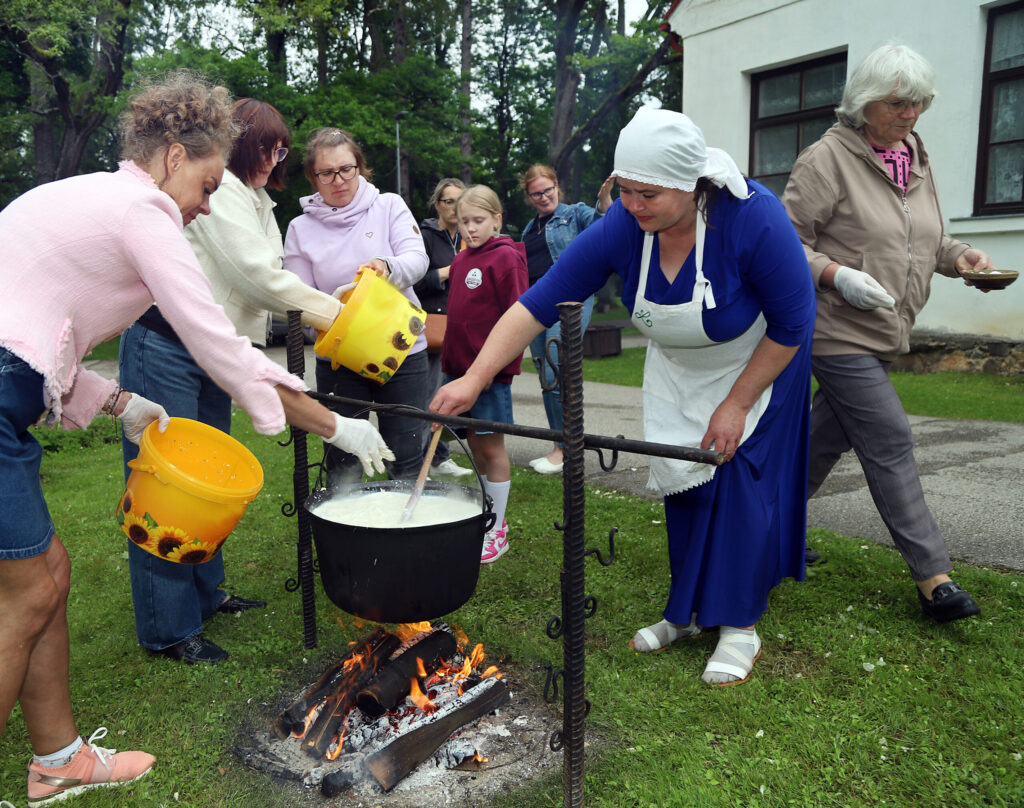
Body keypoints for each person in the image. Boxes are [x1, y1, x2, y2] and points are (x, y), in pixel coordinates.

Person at [0, 70, 391, 806]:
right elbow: (217, 343)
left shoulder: (104, 198)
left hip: (6, 388)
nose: (206, 206)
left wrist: (116, 400)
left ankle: (58, 760)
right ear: (174, 156)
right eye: (208, 185)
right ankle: (58, 757)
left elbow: (36, 334)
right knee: (25, 594)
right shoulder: (141, 208)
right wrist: (334, 423)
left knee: (48, 577)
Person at [433, 107, 817, 686]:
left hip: (760, 365)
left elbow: (794, 320)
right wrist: (473, 378)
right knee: (683, 481)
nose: (633, 205)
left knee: (737, 487)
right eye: (624, 189)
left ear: (690, 184)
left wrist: (737, 403)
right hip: (680, 367)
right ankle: (684, 613)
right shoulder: (623, 226)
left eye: (648, 194)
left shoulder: (752, 217)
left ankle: (739, 625)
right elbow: (539, 302)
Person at [119, 98, 353, 666]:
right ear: (244, 144)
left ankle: (206, 591)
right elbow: (255, 278)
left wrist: (337, 301)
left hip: (218, 351)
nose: (278, 157)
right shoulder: (218, 192)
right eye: (270, 146)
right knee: (171, 485)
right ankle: (169, 629)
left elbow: (272, 276)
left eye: (282, 149)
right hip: (168, 344)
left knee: (211, 479)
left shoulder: (257, 200)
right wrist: (338, 315)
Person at [782, 44, 993, 623]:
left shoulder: (914, 159)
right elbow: (782, 245)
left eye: (920, 101)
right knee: (890, 437)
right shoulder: (826, 159)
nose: (911, 114)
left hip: (884, 329)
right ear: (865, 102)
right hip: (833, 327)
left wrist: (961, 257)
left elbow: (919, 239)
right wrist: (835, 274)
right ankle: (934, 578)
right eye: (898, 102)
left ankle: (765, 532)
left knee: (821, 441)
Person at [284, 128, 430, 481]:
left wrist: (386, 265)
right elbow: (298, 297)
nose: (338, 180)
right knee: (343, 459)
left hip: (402, 351)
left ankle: (407, 531)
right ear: (312, 177)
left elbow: (417, 259)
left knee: (407, 453)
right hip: (339, 359)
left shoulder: (389, 205)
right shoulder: (299, 228)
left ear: (360, 167)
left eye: (346, 169)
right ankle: (346, 531)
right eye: (326, 173)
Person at [442, 185, 530, 563]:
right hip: (457, 373)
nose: (471, 229)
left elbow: (519, 315)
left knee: (492, 448)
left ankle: (498, 528)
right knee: (474, 448)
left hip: (488, 377)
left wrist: (498, 368)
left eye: (479, 220)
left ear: (497, 219)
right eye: (464, 222)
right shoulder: (461, 261)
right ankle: (484, 517)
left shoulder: (507, 258)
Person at [519, 165, 613, 474]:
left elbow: (603, 227)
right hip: (537, 304)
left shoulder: (575, 214)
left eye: (548, 190)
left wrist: (603, 202)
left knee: (556, 365)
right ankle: (559, 444)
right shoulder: (529, 229)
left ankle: (566, 448)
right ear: (529, 196)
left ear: (557, 187)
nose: (544, 196)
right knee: (546, 375)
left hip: (572, 298)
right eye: (537, 193)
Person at [415, 177, 473, 479]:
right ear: (438, 204)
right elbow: (414, 280)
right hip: (429, 326)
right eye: (449, 201)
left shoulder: (468, 235)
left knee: (448, 392)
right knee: (428, 394)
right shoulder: (424, 236)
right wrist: (450, 271)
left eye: (459, 201)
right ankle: (420, 457)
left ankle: (440, 456)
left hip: (458, 326)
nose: (454, 208)